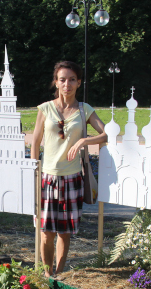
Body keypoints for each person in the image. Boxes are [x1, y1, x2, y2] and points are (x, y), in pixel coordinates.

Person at [30, 61, 107, 277]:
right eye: (62, 79)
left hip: (72, 179)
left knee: (64, 233)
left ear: (79, 82)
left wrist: (83, 141)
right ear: (56, 82)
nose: (67, 84)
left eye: (72, 79)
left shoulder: (84, 110)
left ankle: (60, 275)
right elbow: (35, 143)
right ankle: (47, 275)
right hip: (47, 178)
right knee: (46, 233)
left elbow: (106, 133)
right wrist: (35, 174)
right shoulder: (45, 108)